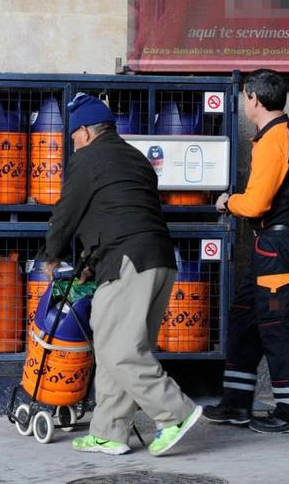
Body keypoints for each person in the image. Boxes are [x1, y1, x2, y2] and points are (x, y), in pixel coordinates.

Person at [39, 92, 202, 457]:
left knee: (120, 348)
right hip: (159, 260)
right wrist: (87, 266)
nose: (73, 143)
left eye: (73, 136)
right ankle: (109, 431)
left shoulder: (89, 159)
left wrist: (52, 255)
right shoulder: (135, 158)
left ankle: (175, 413)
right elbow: (114, 214)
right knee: (113, 339)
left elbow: (68, 212)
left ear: (84, 132)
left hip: (129, 261)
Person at [205, 69, 289, 434]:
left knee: (277, 326)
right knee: (244, 317)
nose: (243, 102)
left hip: (278, 248)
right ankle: (236, 404)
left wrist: (228, 202)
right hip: (275, 246)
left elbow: (255, 204)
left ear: (253, 97)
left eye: (244, 96)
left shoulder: (274, 139)